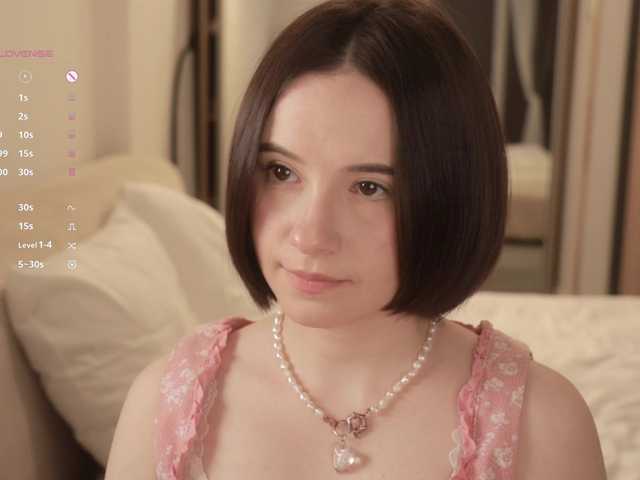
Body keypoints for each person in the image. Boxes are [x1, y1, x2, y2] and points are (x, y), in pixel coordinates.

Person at [105, 1, 607, 479]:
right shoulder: (166, 407)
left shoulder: (541, 425)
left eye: (369, 187)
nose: (310, 235)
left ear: (452, 194)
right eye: (281, 171)